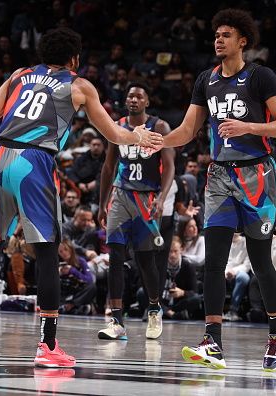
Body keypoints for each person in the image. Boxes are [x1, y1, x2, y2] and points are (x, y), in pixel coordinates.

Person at [0, 28, 162, 367]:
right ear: (75, 58)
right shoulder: (79, 85)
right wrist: (137, 134)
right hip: (34, 162)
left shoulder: (19, 76)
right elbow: (113, 133)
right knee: (48, 253)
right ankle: (47, 346)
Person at [160, 9, 276, 371]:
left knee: (261, 261)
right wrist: (158, 142)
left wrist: (247, 127)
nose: (218, 39)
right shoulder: (206, 79)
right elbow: (188, 131)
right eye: (216, 34)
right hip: (220, 177)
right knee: (214, 263)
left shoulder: (261, 76)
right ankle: (213, 341)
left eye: (225, 35)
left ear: (243, 41)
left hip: (258, 177)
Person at [97, 82, 174, 340]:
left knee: (145, 260)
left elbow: (170, 166)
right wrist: (101, 203)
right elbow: (108, 168)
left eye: (139, 96)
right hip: (120, 195)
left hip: (147, 198)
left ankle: (154, 308)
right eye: (130, 95)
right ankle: (116, 319)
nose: (133, 99)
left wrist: (162, 198)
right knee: (115, 257)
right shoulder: (117, 127)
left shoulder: (159, 127)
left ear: (146, 102)